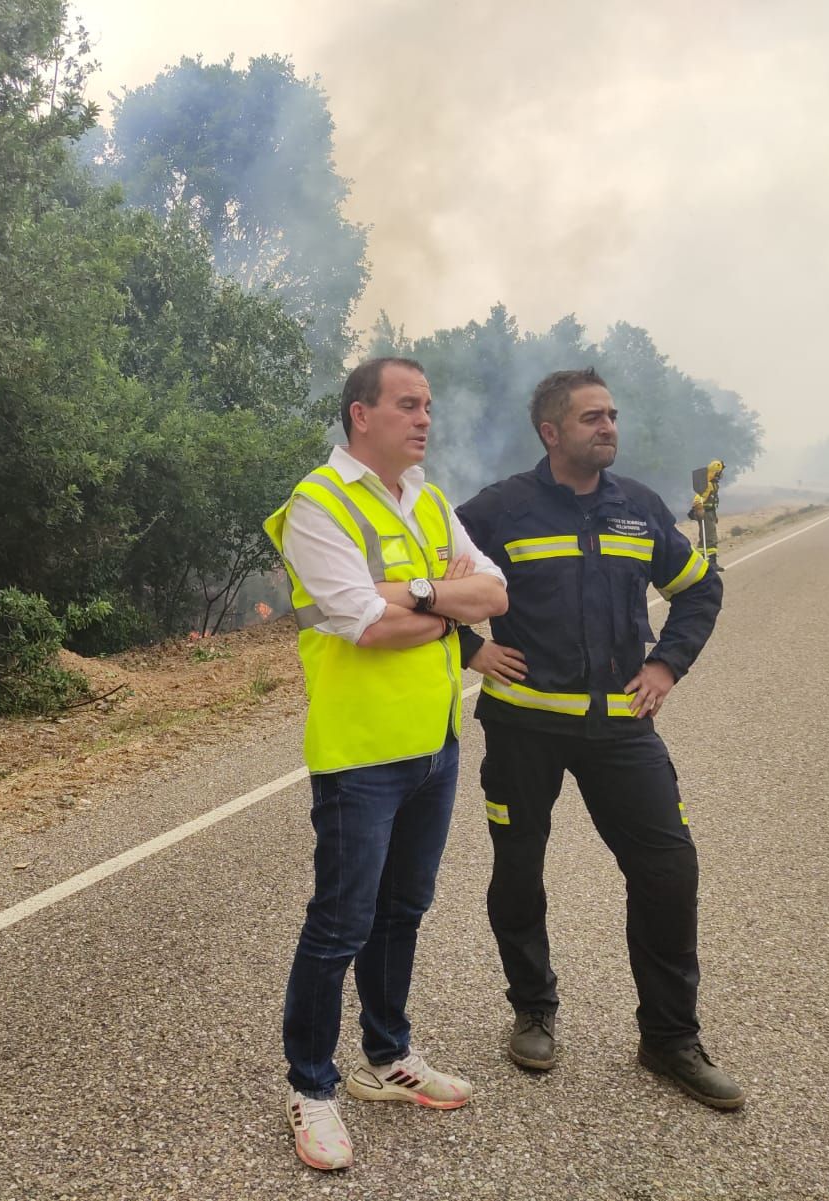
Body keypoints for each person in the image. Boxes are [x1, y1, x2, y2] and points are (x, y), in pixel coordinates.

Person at [454, 368, 744, 1110]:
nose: (608, 426)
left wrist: (666, 663)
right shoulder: (498, 511)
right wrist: (469, 650)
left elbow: (699, 586)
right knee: (518, 871)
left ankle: (670, 1039)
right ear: (551, 432)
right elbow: (420, 577)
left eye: (612, 414)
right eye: (591, 417)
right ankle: (534, 1009)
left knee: (669, 871)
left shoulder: (637, 509)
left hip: (621, 731)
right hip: (523, 727)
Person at [264, 357, 508, 1171]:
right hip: (361, 752)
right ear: (359, 414)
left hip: (434, 744)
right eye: (408, 404)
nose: (425, 418)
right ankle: (311, 1086)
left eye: (430, 404)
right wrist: (445, 597)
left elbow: (497, 594)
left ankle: (387, 1055)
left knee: (404, 909)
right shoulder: (318, 504)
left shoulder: (431, 499)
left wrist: (417, 595)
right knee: (341, 921)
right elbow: (364, 626)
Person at [688, 459, 726, 571]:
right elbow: (697, 498)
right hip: (706, 513)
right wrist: (699, 508)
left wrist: (715, 515)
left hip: (710, 513)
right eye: (719, 472)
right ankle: (711, 562)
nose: (721, 475)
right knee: (710, 538)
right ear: (715, 472)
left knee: (705, 538)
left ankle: (701, 562)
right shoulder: (708, 485)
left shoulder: (712, 484)